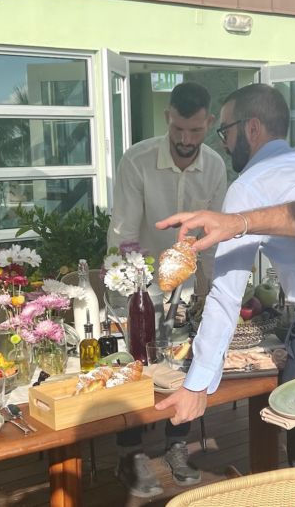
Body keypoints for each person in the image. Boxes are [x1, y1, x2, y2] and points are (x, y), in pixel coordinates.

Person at [154, 83, 295, 507]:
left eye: (223, 131)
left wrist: (199, 383)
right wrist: (238, 222)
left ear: (251, 128)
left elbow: (225, 294)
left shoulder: (251, 183)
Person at [108, 81, 227, 497]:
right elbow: (123, 233)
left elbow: (212, 235)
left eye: (195, 131)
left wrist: (212, 289)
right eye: (178, 129)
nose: (185, 139)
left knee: (183, 363)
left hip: (188, 283)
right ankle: (131, 452)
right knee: (135, 365)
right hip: (137, 278)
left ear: (209, 123)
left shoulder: (214, 166)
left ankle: (178, 446)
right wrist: (136, 287)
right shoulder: (136, 160)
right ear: (168, 118)